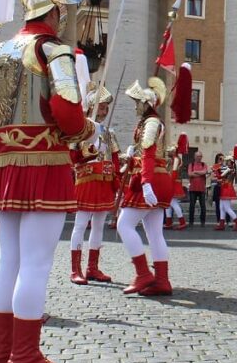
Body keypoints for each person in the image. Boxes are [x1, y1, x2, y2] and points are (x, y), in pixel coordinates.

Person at [0, 0, 92, 363]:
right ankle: (25, 359)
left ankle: (1, 355)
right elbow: (67, 112)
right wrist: (87, 130)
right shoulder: (53, 49)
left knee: (8, 260)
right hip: (45, 162)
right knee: (37, 263)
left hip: (4, 163)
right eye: (62, 13)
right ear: (53, 13)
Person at [117, 78, 174, 296]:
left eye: (138, 102)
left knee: (124, 225)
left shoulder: (151, 123)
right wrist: (131, 155)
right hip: (158, 178)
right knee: (154, 233)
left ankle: (143, 274)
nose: (135, 106)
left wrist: (146, 183)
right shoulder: (150, 122)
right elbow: (146, 153)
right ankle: (162, 280)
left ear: (146, 103)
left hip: (149, 179)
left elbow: (149, 154)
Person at [69, 82, 120, 285]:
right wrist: (88, 151)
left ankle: (92, 267)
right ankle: (75, 269)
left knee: (98, 225)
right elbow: (72, 156)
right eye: (101, 106)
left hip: (104, 182)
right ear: (92, 106)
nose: (105, 111)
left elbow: (114, 158)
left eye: (106, 108)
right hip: (86, 181)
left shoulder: (109, 132)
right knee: (80, 224)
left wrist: (116, 178)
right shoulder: (81, 129)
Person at [164, 144, 188, 231]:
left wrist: (169, 181)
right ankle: (169, 222)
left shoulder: (176, 159)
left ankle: (182, 222)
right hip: (171, 182)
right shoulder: (172, 160)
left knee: (173, 203)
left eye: (169, 151)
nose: (168, 152)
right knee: (168, 204)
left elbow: (174, 172)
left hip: (174, 182)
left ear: (173, 151)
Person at [215, 156, 237, 230]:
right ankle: (222, 224)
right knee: (221, 207)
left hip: (227, 188)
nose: (226, 162)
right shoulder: (230, 168)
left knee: (227, 208)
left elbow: (220, 176)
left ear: (230, 162)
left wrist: (215, 170)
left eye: (227, 161)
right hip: (224, 187)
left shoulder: (229, 169)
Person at [186, 151, 208, 226]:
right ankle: (191, 221)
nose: (199, 158)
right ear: (194, 157)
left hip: (202, 188)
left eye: (200, 156)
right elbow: (189, 174)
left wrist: (195, 172)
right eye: (198, 156)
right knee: (192, 206)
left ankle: (203, 221)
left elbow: (204, 172)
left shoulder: (204, 164)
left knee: (203, 206)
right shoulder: (191, 165)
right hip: (192, 188)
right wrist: (200, 173)